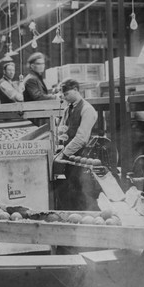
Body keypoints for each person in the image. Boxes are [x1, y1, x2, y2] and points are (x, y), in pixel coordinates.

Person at [54, 78, 98, 211]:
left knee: (82, 193)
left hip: (84, 157)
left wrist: (64, 154)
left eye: (67, 94)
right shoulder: (68, 109)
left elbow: (81, 138)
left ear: (76, 90)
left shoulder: (87, 109)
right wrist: (59, 138)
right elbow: (63, 129)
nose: (65, 97)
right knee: (70, 190)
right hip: (70, 157)